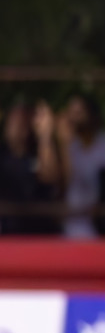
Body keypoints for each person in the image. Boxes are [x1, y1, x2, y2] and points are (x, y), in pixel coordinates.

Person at [56, 93, 105, 239]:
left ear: (92, 115)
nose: (73, 119)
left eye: (79, 113)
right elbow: (64, 183)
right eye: (70, 113)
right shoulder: (69, 147)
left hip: (102, 226)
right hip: (72, 227)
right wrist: (64, 146)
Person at [0, 98, 62, 234]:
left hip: (40, 232)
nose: (17, 126)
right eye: (13, 121)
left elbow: (50, 177)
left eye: (22, 121)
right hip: (8, 232)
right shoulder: (3, 154)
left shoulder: (40, 151)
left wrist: (45, 136)